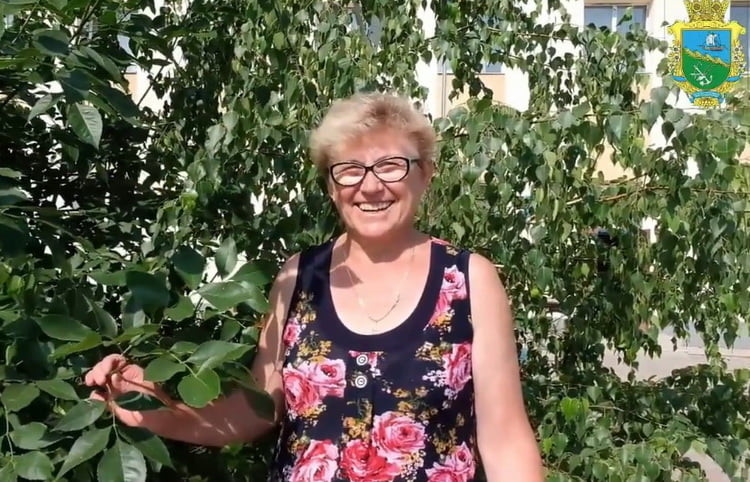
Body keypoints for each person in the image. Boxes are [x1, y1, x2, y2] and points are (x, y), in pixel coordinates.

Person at [85, 92, 544, 481]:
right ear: (330, 185)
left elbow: (505, 439)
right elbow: (253, 412)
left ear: (425, 174)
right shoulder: (298, 278)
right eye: (349, 169)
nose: (370, 186)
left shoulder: (468, 279)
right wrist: (146, 401)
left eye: (391, 166)